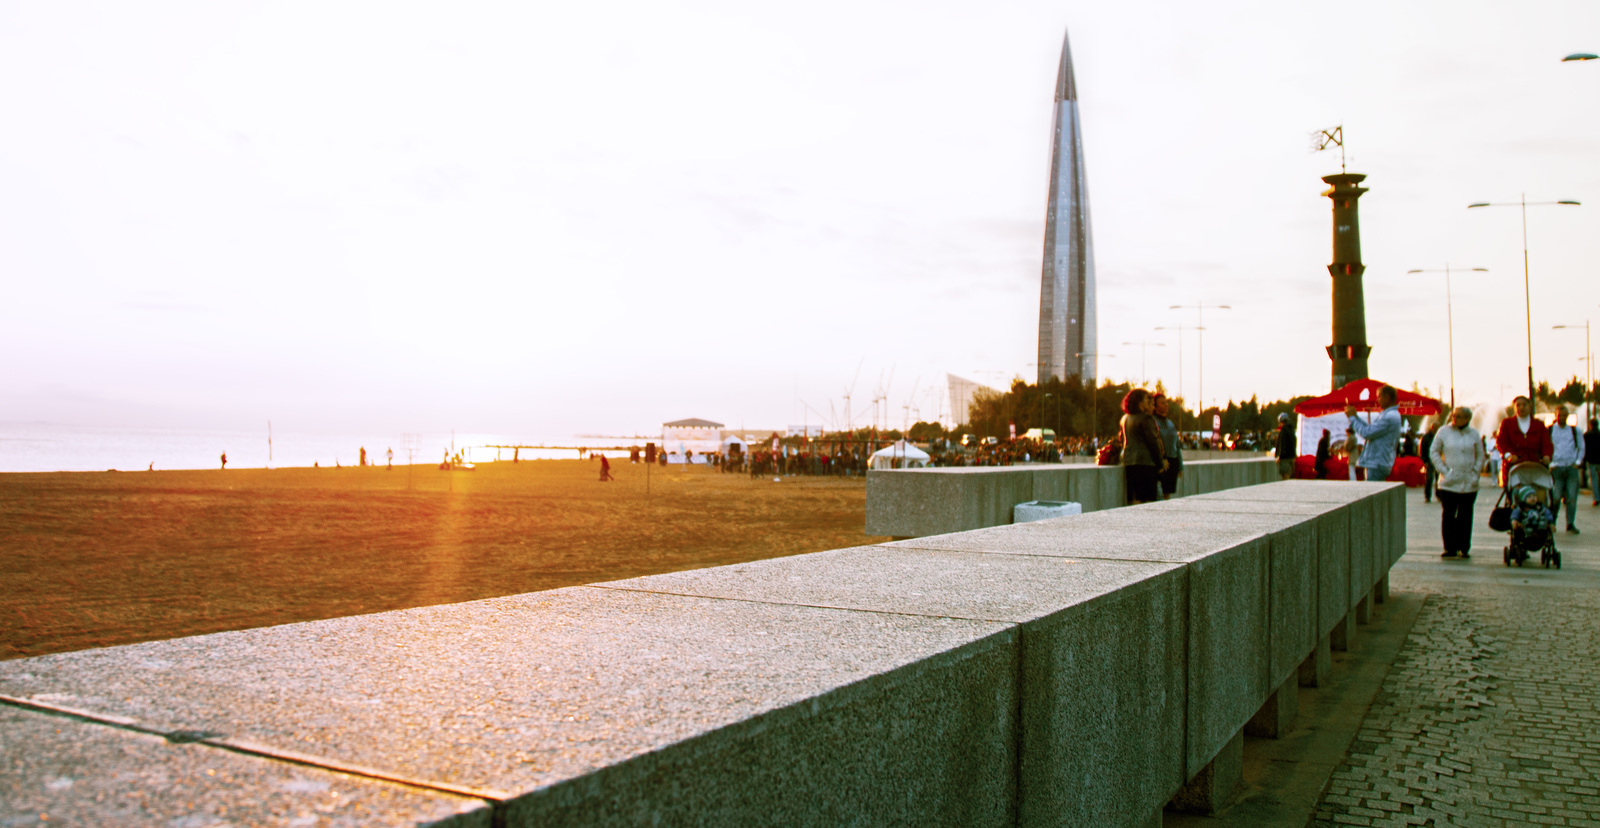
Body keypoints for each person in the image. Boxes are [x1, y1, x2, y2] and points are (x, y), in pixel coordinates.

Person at [1429, 406, 1486, 558]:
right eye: (1454, 415)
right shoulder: (1444, 432)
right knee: (1448, 515)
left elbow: (1480, 454)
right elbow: (1433, 451)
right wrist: (1444, 471)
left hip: (1469, 482)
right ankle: (1449, 547)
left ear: (1468, 419)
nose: (1456, 419)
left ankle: (1464, 547)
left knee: (1465, 516)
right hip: (1449, 482)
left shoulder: (1474, 434)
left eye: (1460, 416)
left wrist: (1475, 472)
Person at [1118, 388, 1168, 505]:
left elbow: (1122, 439)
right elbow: (1153, 442)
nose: (1149, 402)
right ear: (1139, 402)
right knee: (1148, 500)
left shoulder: (1124, 419)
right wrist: (1160, 463)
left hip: (1130, 462)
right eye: (1146, 399)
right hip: (1145, 463)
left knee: (1134, 499)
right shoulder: (1146, 418)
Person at [1344, 385, 1402, 482]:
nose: (1377, 400)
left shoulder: (1389, 416)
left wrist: (1352, 418)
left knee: (1373, 494)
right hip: (1380, 462)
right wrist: (1355, 416)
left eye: (1379, 397)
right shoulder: (1390, 415)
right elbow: (1370, 429)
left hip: (1377, 463)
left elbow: (1367, 433)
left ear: (1387, 398)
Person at [1494, 396, 1552, 487]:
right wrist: (1508, 455)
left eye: (1524, 405)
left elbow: (1546, 443)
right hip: (1514, 464)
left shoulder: (1539, 425)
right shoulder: (1507, 424)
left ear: (1530, 406)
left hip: (1535, 464)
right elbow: (1501, 442)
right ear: (1514, 407)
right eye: (1518, 405)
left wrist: (1547, 456)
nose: (1521, 407)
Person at [1548, 404, 1582, 533]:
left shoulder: (1574, 430)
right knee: (1555, 497)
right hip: (1556, 468)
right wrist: (1551, 464)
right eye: (1559, 415)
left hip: (1571, 467)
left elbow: (1581, 446)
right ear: (1555, 416)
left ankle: (1570, 523)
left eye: (1564, 415)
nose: (1562, 417)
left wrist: (1578, 461)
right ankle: (1552, 521)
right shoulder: (1550, 430)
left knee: (1571, 497)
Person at [1152, 394, 1182, 499]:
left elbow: (1177, 445)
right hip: (1160, 462)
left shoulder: (1170, 423)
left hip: (1172, 461)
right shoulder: (1153, 421)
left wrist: (1180, 466)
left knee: (1168, 493)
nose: (1166, 405)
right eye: (1162, 403)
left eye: (1166, 402)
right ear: (1155, 407)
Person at [1419, 417, 1441, 503]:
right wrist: (1425, 461)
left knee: (1439, 479)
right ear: (1432, 428)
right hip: (1429, 460)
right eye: (1435, 428)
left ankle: (1439, 495)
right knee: (1429, 478)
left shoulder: (1439, 437)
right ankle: (1427, 495)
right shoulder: (1426, 437)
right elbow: (1422, 449)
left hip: (1438, 461)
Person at [1273, 413, 1296, 480]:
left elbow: (1282, 445)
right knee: (1290, 478)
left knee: (1285, 477)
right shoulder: (1292, 430)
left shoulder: (1284, 430)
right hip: (1292, 457)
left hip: (1285, 459)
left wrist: (1279, 456)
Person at [1586, 418, 1600, 506]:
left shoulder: (1587, 435)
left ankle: (1596, 498)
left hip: (1591, 461)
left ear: (1590, 425)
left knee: (1594, 480)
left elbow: (1585, 449)